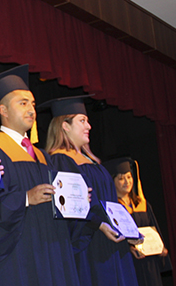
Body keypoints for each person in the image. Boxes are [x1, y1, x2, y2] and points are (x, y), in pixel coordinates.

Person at [0, 66, 80, 285]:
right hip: (17, 258)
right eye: (23, 103)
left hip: (52, 250)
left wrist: (74, 200)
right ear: (3, 110)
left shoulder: (44, 156)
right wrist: (25, 199)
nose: (32, 110)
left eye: (32, 104)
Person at [42, 96, 138, 286]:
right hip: (91, 244)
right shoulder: (60, 160)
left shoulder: (91, 160)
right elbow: (70, 209)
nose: (89, 126)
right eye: (82, 121)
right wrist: (99, 225)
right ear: (65, 126)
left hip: (111, 241)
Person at [104, 157, 172, 286]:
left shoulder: (142, 204)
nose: (127, 182)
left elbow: (153, 228)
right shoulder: (113, 208)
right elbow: (111, 239)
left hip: (149, 262)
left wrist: (160, 247)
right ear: (112, 181)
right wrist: (128, 248)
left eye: (129, 177)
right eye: (121, 178)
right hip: (129, 262)